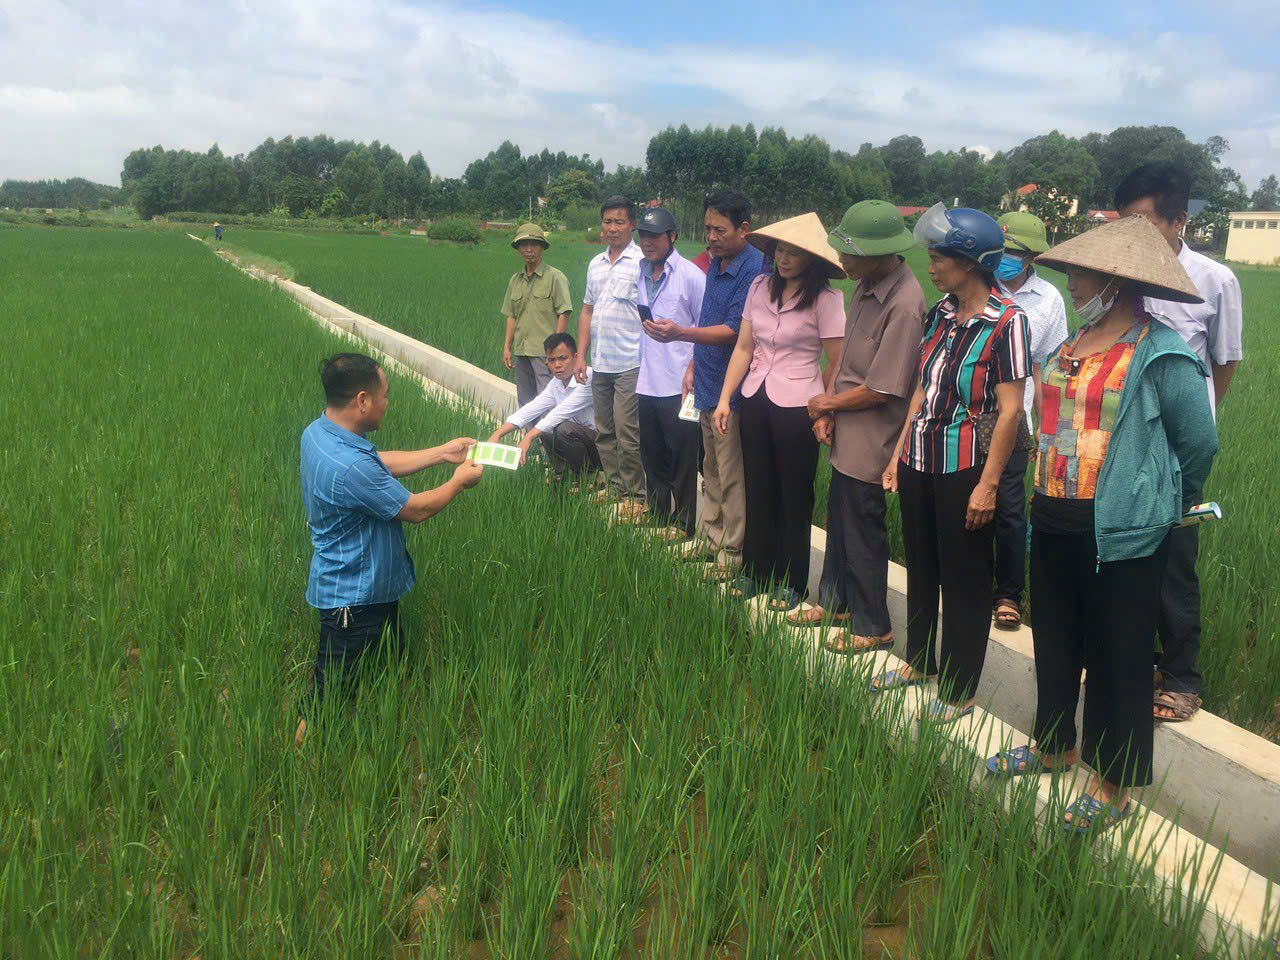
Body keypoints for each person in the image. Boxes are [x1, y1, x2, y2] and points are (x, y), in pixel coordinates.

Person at [986, 215, 1217, 832]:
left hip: (1122, 527)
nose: (1076, 285)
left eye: (1084, 275)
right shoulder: (1071, 345)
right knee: (1055, 639)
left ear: (1117, 282)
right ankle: (1055, 744)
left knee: (1118, 655)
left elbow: (1198, 443)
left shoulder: (1161, 353)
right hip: (1055, 511)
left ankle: (1111, 782)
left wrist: (1162, 497)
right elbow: (1058, 427)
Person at [876, 205, 1031, 724]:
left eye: (940, 256)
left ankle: (959, 689)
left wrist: (988, 486)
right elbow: (922, 388)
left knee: (965, 581)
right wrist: (899, 455)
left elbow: (1010, 410)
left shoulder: (1008, 323)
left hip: (966, 467)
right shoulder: (939, 314)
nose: (932, 265)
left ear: (969, 262)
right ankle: (920, 663)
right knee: (923, 566)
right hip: (921, 457)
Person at [296, 354, 482, 746]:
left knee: (388, 669)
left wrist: (440, 452)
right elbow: (415, 509)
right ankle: (301, 763)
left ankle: (383, 731)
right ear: (362, 400)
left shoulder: (320, 432)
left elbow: (375, 462)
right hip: (352, 598)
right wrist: (457, 482)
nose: (387, 403)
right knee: (328, 696)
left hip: (371, 586)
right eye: (385, 396)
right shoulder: (348, 466)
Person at [1116, 163, 1244, 723]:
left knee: (1174, 558)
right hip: (1122, 439)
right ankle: (1131, 659)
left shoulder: (1214, 280)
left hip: (1177, 446)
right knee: (1121, 549)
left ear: (1179, 221)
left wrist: (1198, 425)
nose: (1133, 234)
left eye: (1144, 221)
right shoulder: (1118, 272)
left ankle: (1182, 677)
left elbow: (1225, 361)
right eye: (1126, 222)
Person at [793, 201, 926, 653]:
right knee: (840, 520)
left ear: (881, 252)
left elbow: (884, 388)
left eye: (850, 253)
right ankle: (835, 603)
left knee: (864, 529)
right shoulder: (865, 286)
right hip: (848, 428)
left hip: (874, 436)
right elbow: (847, 358)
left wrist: (827, 402)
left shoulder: (905, 305)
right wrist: (828, 410)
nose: (842, 261)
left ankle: (873, 626)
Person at [712, 213, 845, 610]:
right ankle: (755, 571)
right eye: (780, 251)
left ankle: (791, 581)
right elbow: (743, 348)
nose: (784, 259)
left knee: (794, 494)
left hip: (798, 406)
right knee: (759, 485)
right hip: (755, 397)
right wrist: (725, 398)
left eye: (794, 253)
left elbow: (838, 361)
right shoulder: (759, 287)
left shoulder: (826, 300)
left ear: (812, 259)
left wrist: (824, 407)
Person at [679, 190, 769, 579]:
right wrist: (692, 364)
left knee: (731, 473)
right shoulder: (717, 263)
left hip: (730, 393)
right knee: (710, 467)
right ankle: (709, 538)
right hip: (707, 381)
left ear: (744, 229)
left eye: (719, 229)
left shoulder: (754, 269)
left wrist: (681, 334)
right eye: (707, 229)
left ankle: (732, 553)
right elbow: (706, 315)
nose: (711, 237)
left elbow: (734, 331)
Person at [990, 211, 1068, 629]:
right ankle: (970, 579)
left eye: (1015, 252)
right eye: (1001, 250)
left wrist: (1047, 433)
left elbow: (1048, 369)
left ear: (1032, 255)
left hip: (1016, 419)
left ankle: (1007, 593)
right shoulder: (978, 285)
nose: (1006, 259)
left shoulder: (1049, 300)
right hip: (970, 417)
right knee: (965, 500)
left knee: (1010, 509)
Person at [634, 207, 706, 539]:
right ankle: (659, 513)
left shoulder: (691, 276)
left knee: (682, 458)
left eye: (654, 236)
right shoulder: (641, 271)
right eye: (643, 236)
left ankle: (684, 523)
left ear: (672, 237)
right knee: (652, 454)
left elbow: (705, 328)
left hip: (679, 383)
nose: (647, 242)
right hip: (646, 380)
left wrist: (693, 370)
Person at [574, 196, 646, 519]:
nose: (612, 228)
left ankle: (636, 495)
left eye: (619, 221)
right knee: (604, 429)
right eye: (607, 221)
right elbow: (587, 310)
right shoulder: (595, 264)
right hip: (600, 363)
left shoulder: (642, 262)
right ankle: (615, 487)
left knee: (627, 431)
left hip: (630, 362)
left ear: (632, 224)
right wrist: (580, 355)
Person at [488, 333, 601, 478]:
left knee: (561, 428)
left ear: (576, 357)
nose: (557, 365)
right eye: (552, 360)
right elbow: (532, 408)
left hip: (602, 447)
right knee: (548, 429)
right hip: (581, 443)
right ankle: (563, 474)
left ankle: (590, 477)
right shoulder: (556, 383)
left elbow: (561, 412)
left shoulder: (588, 378)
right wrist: (498, 434)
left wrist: (529, 437)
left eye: (563, 358)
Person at [501, 223, 572, 406]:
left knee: (547, 402)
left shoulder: (555, 277)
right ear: (518, 248)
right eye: (524, 244)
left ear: (542, 247)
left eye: (534, 244)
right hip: (522, 352)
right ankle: (529, 435)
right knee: (525, 403)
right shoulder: (515, 281)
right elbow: (511, 316)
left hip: (544, 354)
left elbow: (563, 313)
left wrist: (556, 352)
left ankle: (548, 436)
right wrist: (507, 347)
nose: (529, 249)